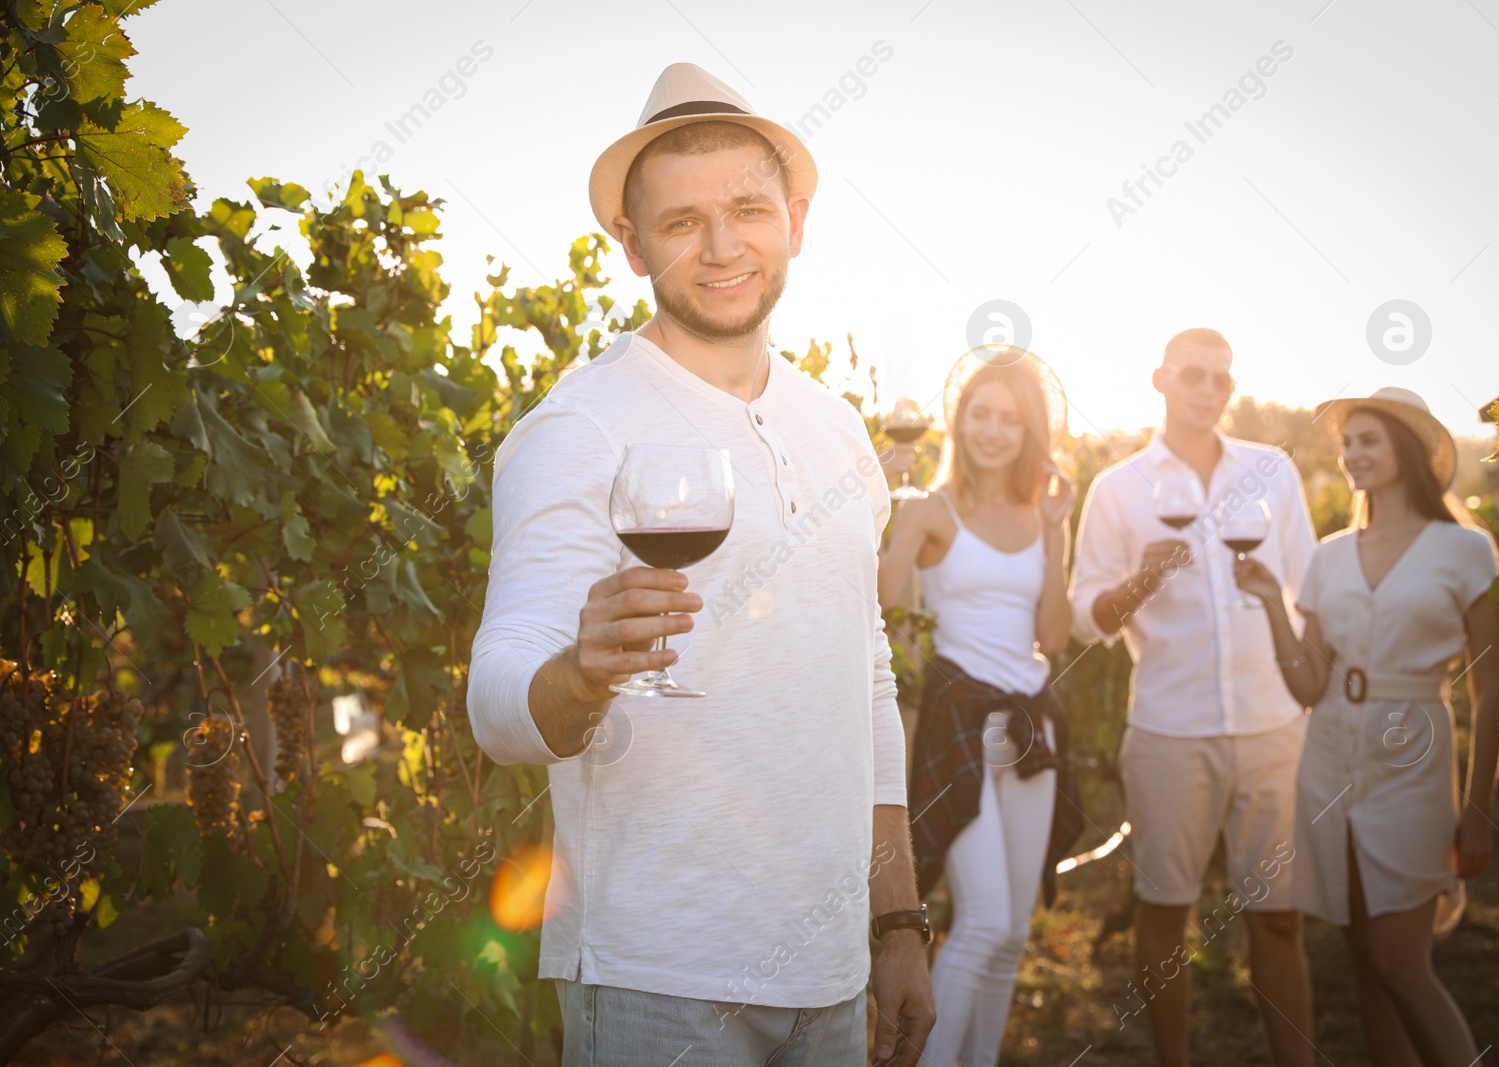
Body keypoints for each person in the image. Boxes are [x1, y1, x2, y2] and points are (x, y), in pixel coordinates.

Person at [465, 62, 934, 1067]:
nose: (722, 247)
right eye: (680, 223)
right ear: (630, 246)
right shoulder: (576, 428)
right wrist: (580, 671)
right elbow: (499, 700)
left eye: (747, 209)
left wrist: (897, 921)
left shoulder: (841, 430)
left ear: (796, 221)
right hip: (658, 981)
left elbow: (866, 678)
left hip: (834, 975)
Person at [1067, 328, 1318, 1067]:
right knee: (1164, 909)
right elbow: (1087, 618)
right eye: (1194, 376)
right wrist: (1138, 584)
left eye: (1221, 380)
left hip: (1275, 724)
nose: (1209, 391)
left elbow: (1308, 589)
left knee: (1277, 919)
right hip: (1170, 729)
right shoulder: (1118, 489)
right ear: (1161, 380)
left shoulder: (1271, 472)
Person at [1235, 387, 1499, 1067]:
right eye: (1347, 442)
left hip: (1414, 762)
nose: (1351, 454)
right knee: (1363, 956)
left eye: (1368, 441)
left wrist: (1476, 814)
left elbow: (1490, 689)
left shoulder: (1466, 551)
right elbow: (1308, 684)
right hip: (1328, 757)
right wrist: (1271, 603)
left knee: (1400, 960)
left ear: (1406, 450)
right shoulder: (1328, 556)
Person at [878, 348, 1083, 1067]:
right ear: (958, 420)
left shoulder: (1041, 514)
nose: (993, 430)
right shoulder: (928, 509)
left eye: (1010, 418)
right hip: (958, 720)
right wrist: (881, 495)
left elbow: (1053, 637)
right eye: (980, 413)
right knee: (983, 918)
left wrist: (1058, 532)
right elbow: (886, 607)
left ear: (1032, 430)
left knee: (1013, 930)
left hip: (1030, 720)